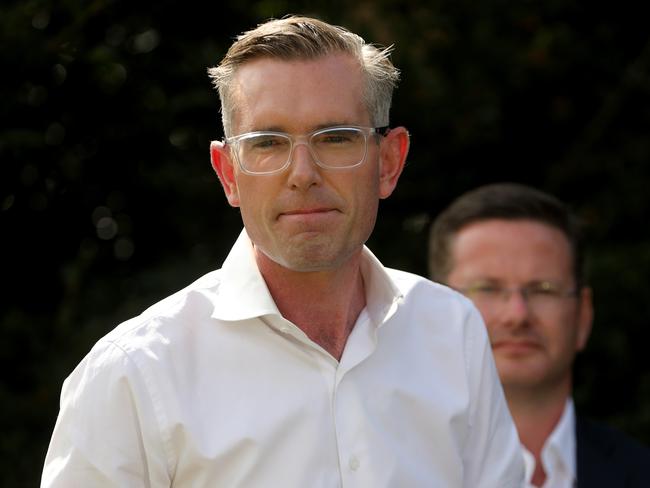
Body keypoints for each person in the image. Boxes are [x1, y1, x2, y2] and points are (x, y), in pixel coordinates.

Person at [41, 16, 524, 487]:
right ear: (228, 172)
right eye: (268, 142)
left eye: (335, 138)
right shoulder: (135, 373)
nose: (302, 173)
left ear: (389, 162)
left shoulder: (452, 333)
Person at [429, 182, 650, 487]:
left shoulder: (641, 472)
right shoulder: (380, 469)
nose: (517, 315)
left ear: (583, 317)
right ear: (434, 309)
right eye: (487, 288)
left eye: (544, 289)